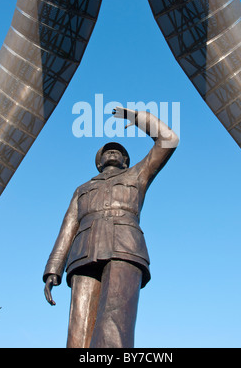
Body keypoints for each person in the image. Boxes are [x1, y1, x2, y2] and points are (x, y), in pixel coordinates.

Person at [43, 106, 179, 348]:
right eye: (107, 150)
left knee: (114, 326)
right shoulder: (82, 189)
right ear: (99, 161)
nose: (113, 151)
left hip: (125, 249)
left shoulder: (138, 175)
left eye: (119, 151)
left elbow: (169, 139)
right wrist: (54, 269)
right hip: (83, 254)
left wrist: (138, 119)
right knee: (78, 332)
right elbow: (67, 227)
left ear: (126, 161)